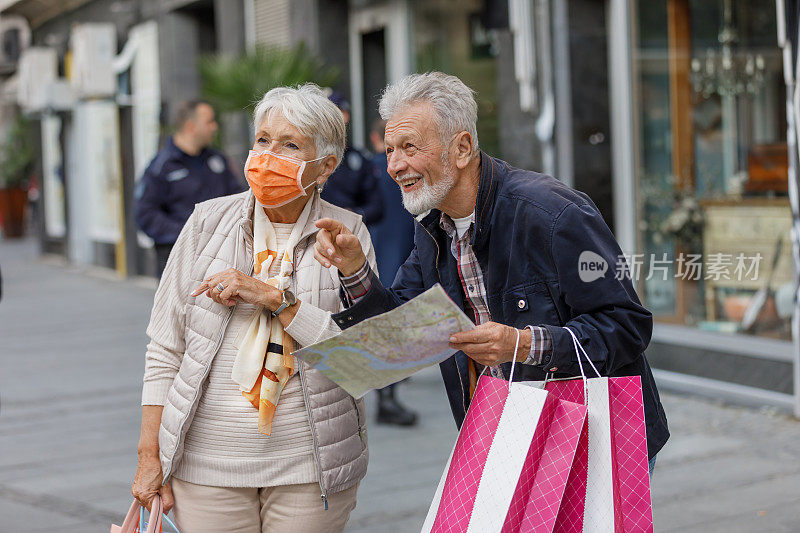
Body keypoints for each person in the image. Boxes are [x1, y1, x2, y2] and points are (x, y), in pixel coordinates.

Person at [313, 72, 669, 471]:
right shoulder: (432, 226)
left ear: (462, 147)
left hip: (594, 438)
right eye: (391, 148)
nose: (394, 165)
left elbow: (628, 326)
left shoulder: (553, 213)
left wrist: (523, 344)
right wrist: (356, 268)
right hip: (504, 434)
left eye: (410, 147)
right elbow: (399, 329)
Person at [132, 84, 373, 532]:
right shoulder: (206, 222)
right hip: (206, 467)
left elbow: (360, 359)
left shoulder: (348, 234)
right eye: (263, 140)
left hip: (308, 467)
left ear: (325, 167)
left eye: (290, 145)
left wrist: (276, 300)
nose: (268, 156)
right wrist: (150, 457)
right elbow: (164, 349)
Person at [135, 99, 243, 276]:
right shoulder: (162, 166)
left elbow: (237, 198)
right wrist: (187, 234)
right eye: (209, 122)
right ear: (191, 127)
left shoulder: (217, 160)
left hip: (220, 255)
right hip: (178, 260)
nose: (214, 127)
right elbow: (146, 214)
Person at [366, 118, 418, 426]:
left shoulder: (367, 170)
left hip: (386, 254)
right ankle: (387, 398)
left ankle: (388, 393)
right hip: (391, 255)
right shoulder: (401, 172)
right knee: (388, 325)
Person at [319, 92, 383, 226]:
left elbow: (376, 207)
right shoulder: (310, 157)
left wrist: (353, 214)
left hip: (350, 232)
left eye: (343, 123)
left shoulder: (358, 159)